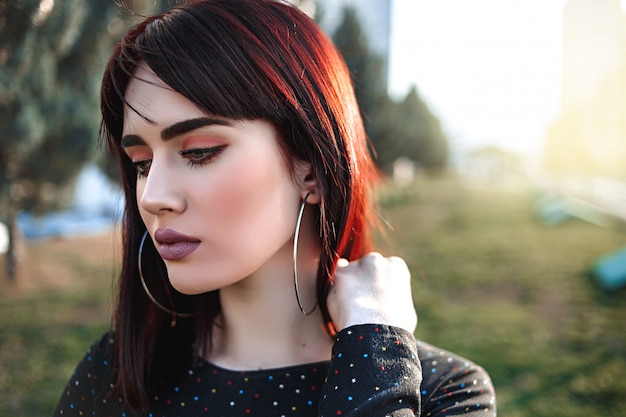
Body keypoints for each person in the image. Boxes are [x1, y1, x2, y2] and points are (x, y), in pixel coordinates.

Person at [53, 1, 496, 416]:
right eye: (142, 164)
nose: (152, 196)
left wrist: (374, 348)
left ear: (312, 171)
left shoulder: (442, 393)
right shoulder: (113, 375)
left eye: (200, 151)